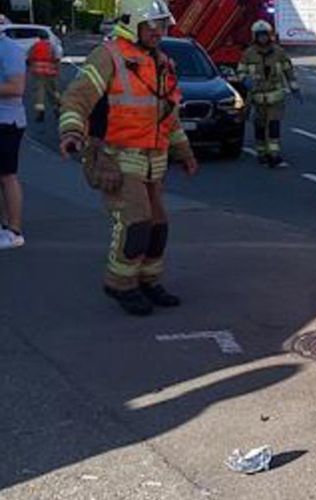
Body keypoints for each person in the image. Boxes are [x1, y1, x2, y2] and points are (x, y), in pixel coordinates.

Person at [58, 0, 199, 316]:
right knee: (136, 222)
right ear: (132, 23)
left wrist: (185, 152)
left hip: (152, 160)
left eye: (163, 25)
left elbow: (169, 117)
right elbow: (77, 98)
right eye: (153, 25)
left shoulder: (162, 63)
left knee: (158, 225)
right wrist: (71, 132)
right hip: (116, 157)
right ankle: (120, 284)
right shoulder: (109, 56)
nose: (160, 32)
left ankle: (148, 280)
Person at [237, 20, 300, 169]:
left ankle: (274, 155)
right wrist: (245, 80)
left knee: (273, 125)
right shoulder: (248, 54)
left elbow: (288, 70)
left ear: (269, 35)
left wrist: (294, 87)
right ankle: (261, 153)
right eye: (260, 36)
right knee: (259, 126)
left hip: (275, 97)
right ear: (255, 37)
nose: (263, 39)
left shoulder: (279, 52)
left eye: (265, 35)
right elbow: (241, 71)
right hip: (257, 97)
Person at [0, 14, 27, 250]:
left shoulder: (9, 49)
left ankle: (14, 230)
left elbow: (17, 87)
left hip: (7, 122)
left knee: (7, 175)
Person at [26, 30, 60, 122]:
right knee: (52, 91)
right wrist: (57, 70)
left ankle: (40, 112)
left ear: (39, 38)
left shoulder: (35, 46)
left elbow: (28, 58)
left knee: (39, 92)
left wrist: (30, 68)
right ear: (47, 38)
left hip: (38, 73)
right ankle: (57, 108)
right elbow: (57, 59)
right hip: (50, 72)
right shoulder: (51, 46)